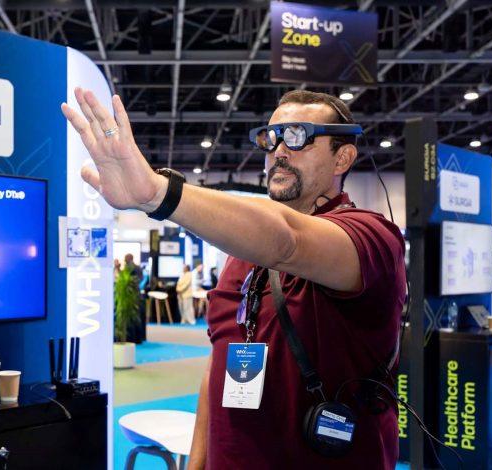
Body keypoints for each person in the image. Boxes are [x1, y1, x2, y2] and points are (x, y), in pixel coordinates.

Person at [61, 88, 405, 469]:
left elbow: (288, 240)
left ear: (343, 157)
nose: (279, 150)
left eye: (298, 136)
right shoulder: (240, 257)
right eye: (271, 138)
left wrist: (158, 194)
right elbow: (219, 361)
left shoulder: (373, 239)